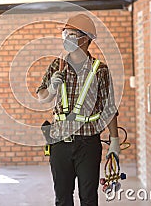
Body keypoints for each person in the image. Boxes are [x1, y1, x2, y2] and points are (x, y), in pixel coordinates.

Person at [36, 13, 121, 206]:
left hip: (88, 144)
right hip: (59, 142)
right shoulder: (57, 66)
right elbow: (42, 98)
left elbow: (109, 108)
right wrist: (50, 89)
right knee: (62, 198)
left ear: (85, 38)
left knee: (89, 198)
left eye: (71, 34)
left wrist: (114, 142)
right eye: (65, 33)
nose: (66, 37)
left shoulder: (100, 70)